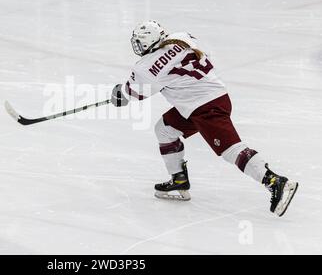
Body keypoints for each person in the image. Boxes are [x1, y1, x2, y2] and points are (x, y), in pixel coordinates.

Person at [111, 20, 298, 217]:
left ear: (149, 41)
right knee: (165, 129)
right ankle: (178, 181)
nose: (137, 47)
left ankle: (276, 182)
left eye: (140, 42)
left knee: (231, 150)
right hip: (207, 101)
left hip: (206, 108)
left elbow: (134, 93)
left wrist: (120, 95)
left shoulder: (147, 66)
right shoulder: (182, 37)